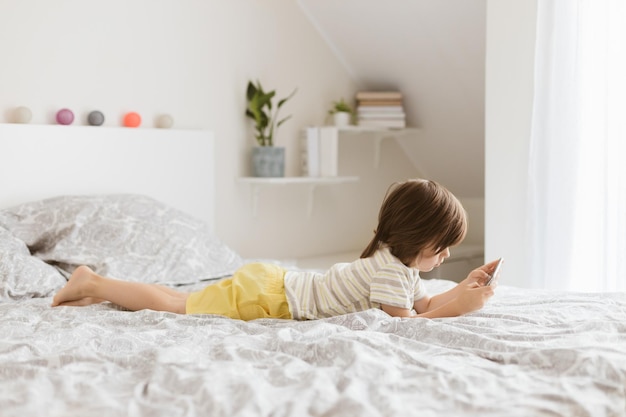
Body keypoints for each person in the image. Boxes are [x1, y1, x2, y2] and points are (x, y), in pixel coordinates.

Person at [52, 179, 497, 320]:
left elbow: (420, 308)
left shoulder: (400, 270)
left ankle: (99, 286)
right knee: (173, 303)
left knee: (175, 298)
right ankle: (93, 281)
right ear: (417, 237)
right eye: (442, 249)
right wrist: (463, 305)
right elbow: (408, 326)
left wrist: (464, 288)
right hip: (269, 297)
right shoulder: (387, 274)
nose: (444, 258)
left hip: (276, 284)